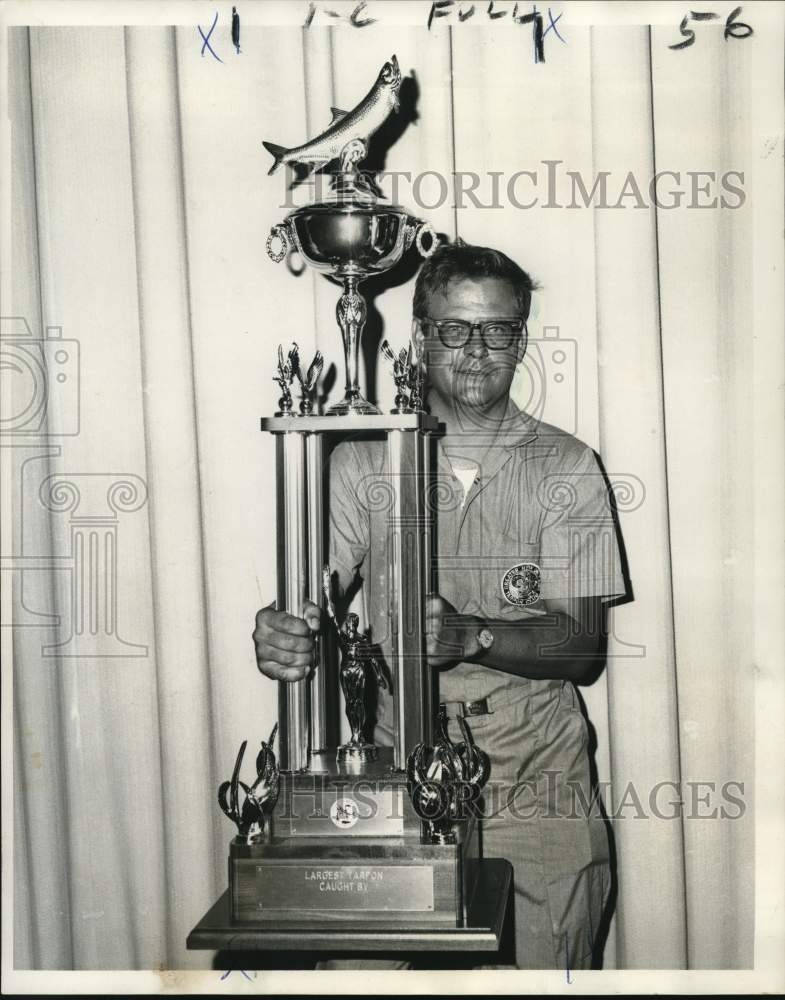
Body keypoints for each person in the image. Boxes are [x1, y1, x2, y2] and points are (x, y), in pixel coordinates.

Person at [253, 242, 626, 969]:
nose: (477, 350)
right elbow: (311, 600)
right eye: (455, 329)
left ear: (520, 338)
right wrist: (283, 634)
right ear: (420, 336)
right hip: (396, 776)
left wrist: (468, 637)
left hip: (535, 786)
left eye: (497, 330)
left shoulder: (566, 466)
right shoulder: (361, 460)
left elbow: (582, 649)